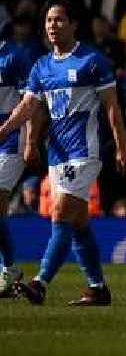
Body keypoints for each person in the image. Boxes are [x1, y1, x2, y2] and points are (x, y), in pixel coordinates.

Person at [0, 0, 126, 306]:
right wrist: (7, 131)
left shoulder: (92, 61)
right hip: (57, 155)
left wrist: (122, 146)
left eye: (59, 19)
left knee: (59, 214)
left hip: (84, 152)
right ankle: (98, 287)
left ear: (74, 24)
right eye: (48, 20)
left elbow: (112, 108)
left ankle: (40, 282)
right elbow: (28, 106)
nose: (53, 25)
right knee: (77, 222)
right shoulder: (42, 66)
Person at [0, 40, 34, 297]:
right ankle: (8, 270)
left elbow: (29, 103)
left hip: (10, 141)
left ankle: (9, 268)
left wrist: (31, 141)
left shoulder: (14, 57)